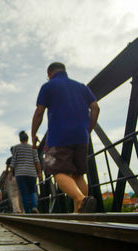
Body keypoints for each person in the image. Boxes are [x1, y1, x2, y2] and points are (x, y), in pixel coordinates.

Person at [31, 62, 100, 213]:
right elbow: (95, 107)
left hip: (59, 137)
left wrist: (33, 134)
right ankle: (80, 215)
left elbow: (39, 112)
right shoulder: (81, 87)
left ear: (49, 74)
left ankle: (81, 199)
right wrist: (88, 129)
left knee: (58, 172)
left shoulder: (48, 86)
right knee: (78, 175)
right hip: (81, 136)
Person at [10, 131, 42, 213]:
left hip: (20, 174)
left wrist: (11, 173)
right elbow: (37, 161)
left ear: (20, 139)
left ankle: (27, 211)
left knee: (24, 193)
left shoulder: (16, 148)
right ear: (27, 139)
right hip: (32, 173)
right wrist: (39, 172)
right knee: (32, 191)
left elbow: (13, 161)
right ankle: (34, 206)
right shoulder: (33, 148)